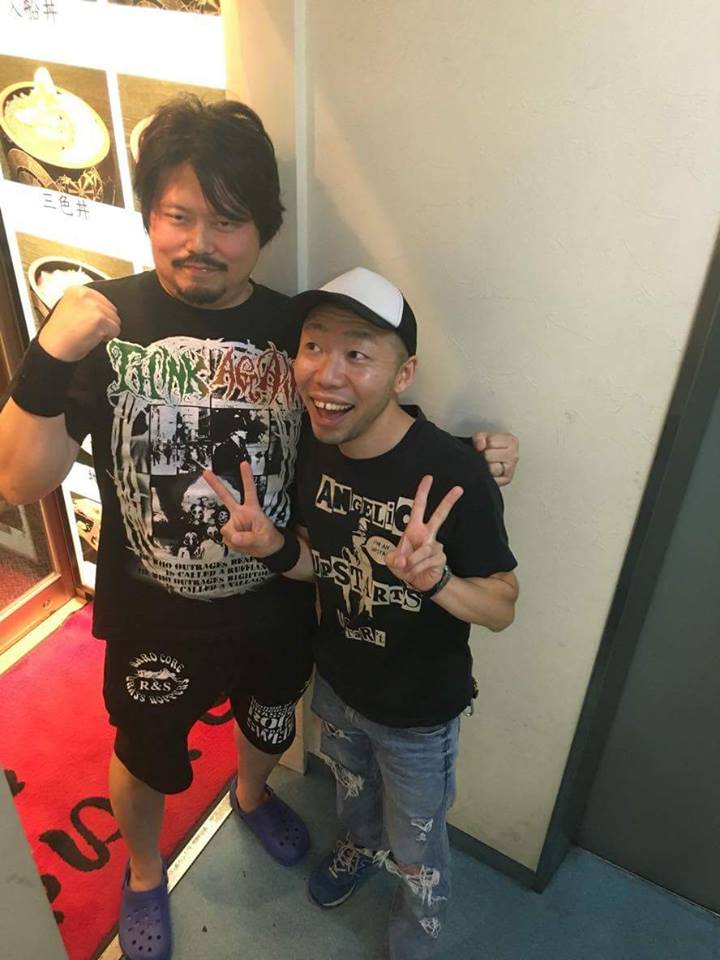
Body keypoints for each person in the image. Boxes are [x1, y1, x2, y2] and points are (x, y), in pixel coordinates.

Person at [0, 96, 518, 960]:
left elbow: (359, 413)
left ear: (263, 230)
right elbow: (19, 479)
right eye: (178, 215)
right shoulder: (102, 323)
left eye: (228, 220)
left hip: (277, 595)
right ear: (148, 215)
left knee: (270, 721)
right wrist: (51, 354)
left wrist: (468, 453)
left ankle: (248, 795)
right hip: (152, 613)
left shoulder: (293, 330)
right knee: (145, 750)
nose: (200, 241)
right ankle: (142, 870)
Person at [204, 266, 519, 959]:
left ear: (403, 374)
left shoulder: (453, 473)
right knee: (351, 795)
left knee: (419, 845)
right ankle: (359, 845)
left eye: (357, 353)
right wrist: (270, 546)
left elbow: (502, 606)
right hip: (338, 684)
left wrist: (438, 582)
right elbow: (320, 561)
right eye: (314, 347)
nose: (328, 373)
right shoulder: (315, 448)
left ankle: (416, 932)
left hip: (418, 713)